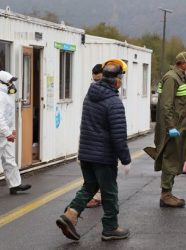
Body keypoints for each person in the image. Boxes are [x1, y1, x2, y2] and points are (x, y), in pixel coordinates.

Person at [56, 59, 131, 241]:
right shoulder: (113, 102)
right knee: (110, 191)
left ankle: (71, 214)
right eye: (122, 78)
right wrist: (126, 159)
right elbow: (118, 135)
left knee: (89, 186)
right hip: (103, 156)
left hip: (86, 152)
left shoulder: (90, 95)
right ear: (117, 80)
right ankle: (110, 228)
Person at [143, 52, 186, 208]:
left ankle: (168, 192)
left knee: (175, 159)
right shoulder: (171, 78)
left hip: (181, 126)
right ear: (182, 63)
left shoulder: (181, 78)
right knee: (170, 159)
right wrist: (171, 127)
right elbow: (166, 106)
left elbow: (178, 101)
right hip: (173, 128)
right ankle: (166, 195)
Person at [86, 63, 108, 208]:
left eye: (99, 80)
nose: (96, 83)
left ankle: (98, 197)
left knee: (102, 169)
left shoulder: (110, 96)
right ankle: (100, 195)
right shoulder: (92, 93)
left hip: (104, 138)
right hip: (92, 136)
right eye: (94, 80)